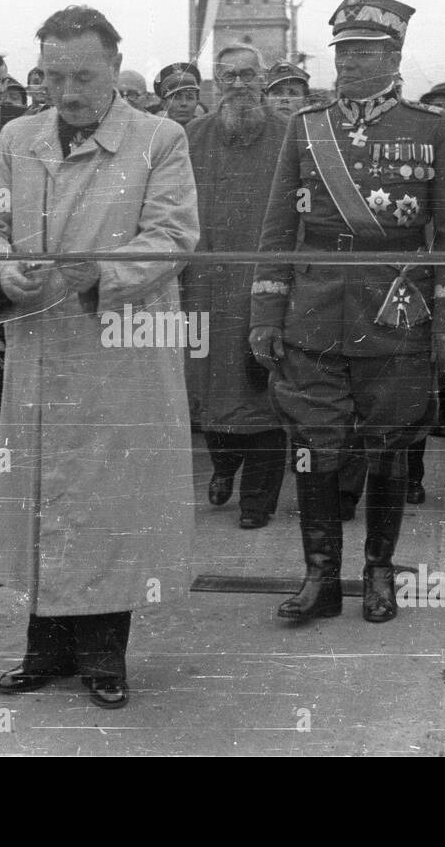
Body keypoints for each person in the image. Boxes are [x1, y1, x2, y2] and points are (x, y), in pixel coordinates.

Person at [0, 5, 198, 709]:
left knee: (109, 497)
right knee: (39, 493)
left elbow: (173, 232)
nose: (67, 92)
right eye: (53, 75)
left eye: (84, 75)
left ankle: (103, 652)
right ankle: (44, 646)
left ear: (115, 70)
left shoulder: (160, 139)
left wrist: (104, 270)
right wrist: (3, 270)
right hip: (40, 345)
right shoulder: (18, 137)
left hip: (119, 346)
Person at [249, 0, 445, 623]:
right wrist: (267, 312)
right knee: (315, 444)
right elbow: (275, 231)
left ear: (394, 56)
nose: (349, 62)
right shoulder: (306, 127)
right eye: (343, 50)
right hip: (315, 308)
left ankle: (379, 571)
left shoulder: (432, 128)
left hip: (397, 308)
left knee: (390, 443)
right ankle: (320, 576)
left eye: (365, 51)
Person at [184, 44, 289, 529]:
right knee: (211, 389)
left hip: (266, 288)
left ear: (264, 81)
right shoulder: (191, 137)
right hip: (205, 288)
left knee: (266, 388)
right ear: (215, 82)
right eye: (229, 76)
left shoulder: (290, 137)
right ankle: (224, 465)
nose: (240, 84)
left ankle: (257, 501)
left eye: (249, 75)